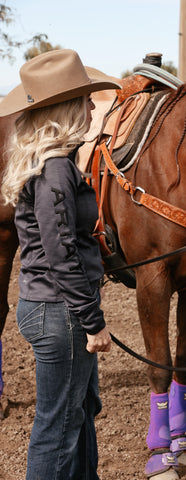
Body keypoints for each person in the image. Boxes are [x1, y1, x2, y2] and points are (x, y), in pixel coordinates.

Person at [0, 49, 121, 479]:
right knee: (58, 429)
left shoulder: (49, 163)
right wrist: (92, 321)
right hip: (61, 313)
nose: (92, 107)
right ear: (68, 108)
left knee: (83, 412)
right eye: (85, 100)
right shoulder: (55, 169)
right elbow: (60, 253)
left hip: (52, 307)